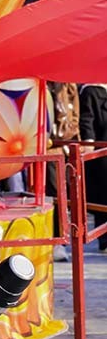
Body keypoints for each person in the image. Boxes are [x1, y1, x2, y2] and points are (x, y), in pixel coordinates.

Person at [47, 81, 80, 261]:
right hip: (43, 142)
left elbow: (74, 114)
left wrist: (71, 135)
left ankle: (60, 238)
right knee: (52, 191)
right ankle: (55, 238)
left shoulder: (67, 85)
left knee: (61, 191)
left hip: (61, 144)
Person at [79, 83, 107, 251]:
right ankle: (104, 238)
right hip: (101, 152)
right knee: (103, 196)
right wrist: (88, 143)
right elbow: (86, 121)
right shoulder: (90, 91)